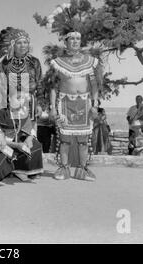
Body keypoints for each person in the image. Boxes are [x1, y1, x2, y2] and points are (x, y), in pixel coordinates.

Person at [47, 30, 102, 181]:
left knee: (83, 141)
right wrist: (52, 107)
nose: (75, 41)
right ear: (66, 42)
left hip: (85, 104)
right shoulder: (57, 63)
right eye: (72, 39)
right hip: (64, 103)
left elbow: (95, 85)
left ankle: (82, 170)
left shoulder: (90, 61)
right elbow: (53, 86)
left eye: (78, 38)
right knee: (65, 139)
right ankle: (64, 169)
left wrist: (95, 105)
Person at [0, 27, 44, 130]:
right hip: (9, 105)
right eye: (19, 43)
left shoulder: (34, 62)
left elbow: (40, 84)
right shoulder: (6, 62)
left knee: (29, 138)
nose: (23, 45)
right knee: (10, 137)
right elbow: (2, 86)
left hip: (30, 104)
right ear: (13, 45)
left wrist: (40, 105)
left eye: (25, 42)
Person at [0, 91, 43, 182]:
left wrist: (28, 139)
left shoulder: (24, 112)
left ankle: (25, 170)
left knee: (35, 145)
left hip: (19, 141)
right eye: (18, 98)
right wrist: (17, 145)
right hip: (6, 143)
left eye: (22, 99)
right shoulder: (2, 113)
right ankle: (15, 170)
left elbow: (30, 130)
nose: (21, 101)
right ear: (9, 99)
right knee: (4, 153)